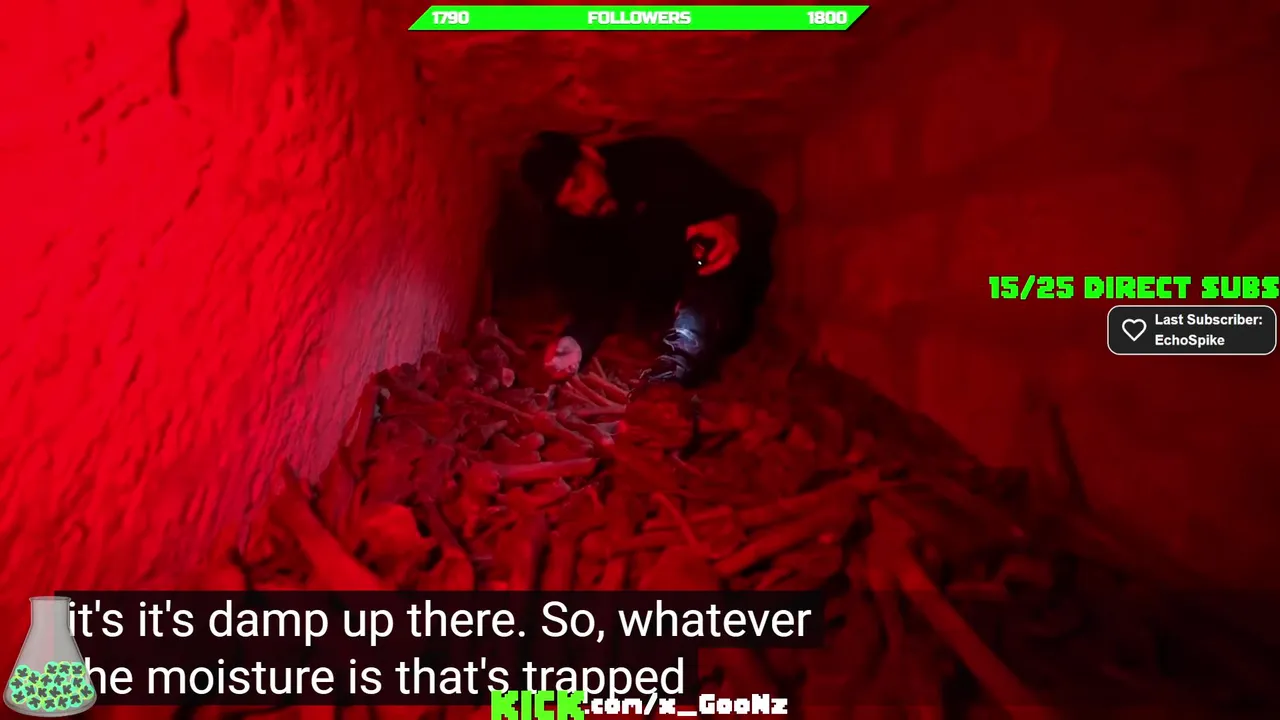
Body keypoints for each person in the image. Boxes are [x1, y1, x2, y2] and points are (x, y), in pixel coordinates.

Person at [519, 131, 776, 395]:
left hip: (713, 278)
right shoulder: (574, 227)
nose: (585, 205)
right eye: (571, 205)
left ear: (590, 155)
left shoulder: (660, 162)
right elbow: (599, 298)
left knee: (710, 282)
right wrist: (577, 341)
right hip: (660, 302)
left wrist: (734, 225)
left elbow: (755, 208)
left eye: (579, 185)